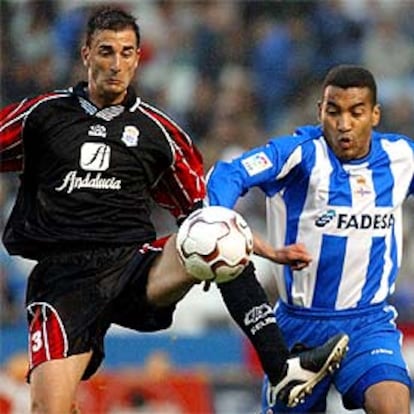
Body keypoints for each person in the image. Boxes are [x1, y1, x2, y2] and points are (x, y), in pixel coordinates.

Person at [0, 7, 348, 414]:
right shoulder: (42, 115)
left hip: (133, 268)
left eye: (126, 53)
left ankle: (281, 367)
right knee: (49, 409)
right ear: (85, 55)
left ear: (137, 57)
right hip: (62, 280)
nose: (116, 64)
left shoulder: (158, 132)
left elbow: (203, 210)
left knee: (217, 230)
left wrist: (263, 249)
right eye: (106, 52)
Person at [207, 64, 413, 413]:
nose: (343, 124)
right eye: (333, 112)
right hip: (298, 327)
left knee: (392, 404)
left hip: (368, 322)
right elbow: (228, 174)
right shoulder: (300, 154)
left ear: (374, 115)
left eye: (355, 112)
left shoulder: (401, 157)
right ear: (320, 111)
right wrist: (239, 237)